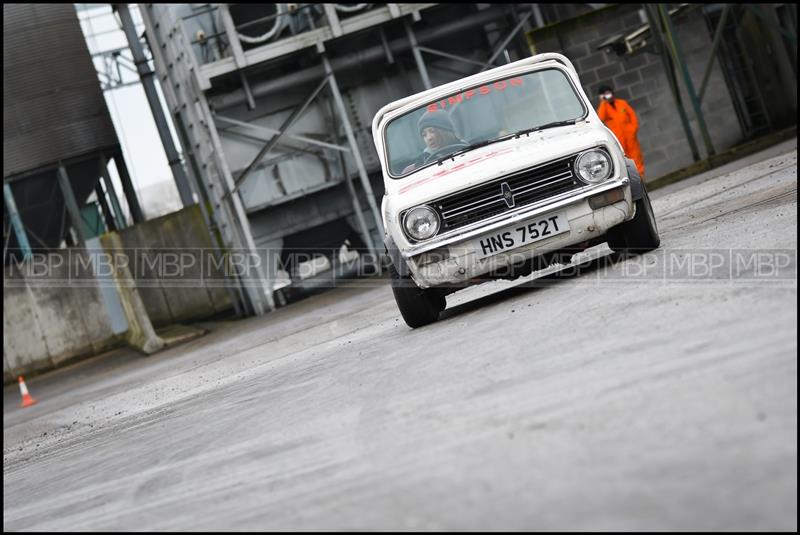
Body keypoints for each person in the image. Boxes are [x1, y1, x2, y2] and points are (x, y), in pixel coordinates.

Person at [596, 84, 645, 179]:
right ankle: (632, 181)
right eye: (605, 94)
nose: (608, 95)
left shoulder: (622, 103)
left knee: (637, 158)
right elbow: (601, 117)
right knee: (624, 160)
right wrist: (603, 102)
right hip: (618, 139)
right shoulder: (604, 107)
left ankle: (641, 180)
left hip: (630, 136)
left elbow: (633, 117)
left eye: (609, 93)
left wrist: (633, 129)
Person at [402, 109, 466, 173]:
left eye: (432, 131)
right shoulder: (422, 162)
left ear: (445, 131)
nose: (428, 138)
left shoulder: (468, 149)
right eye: (424, 135)